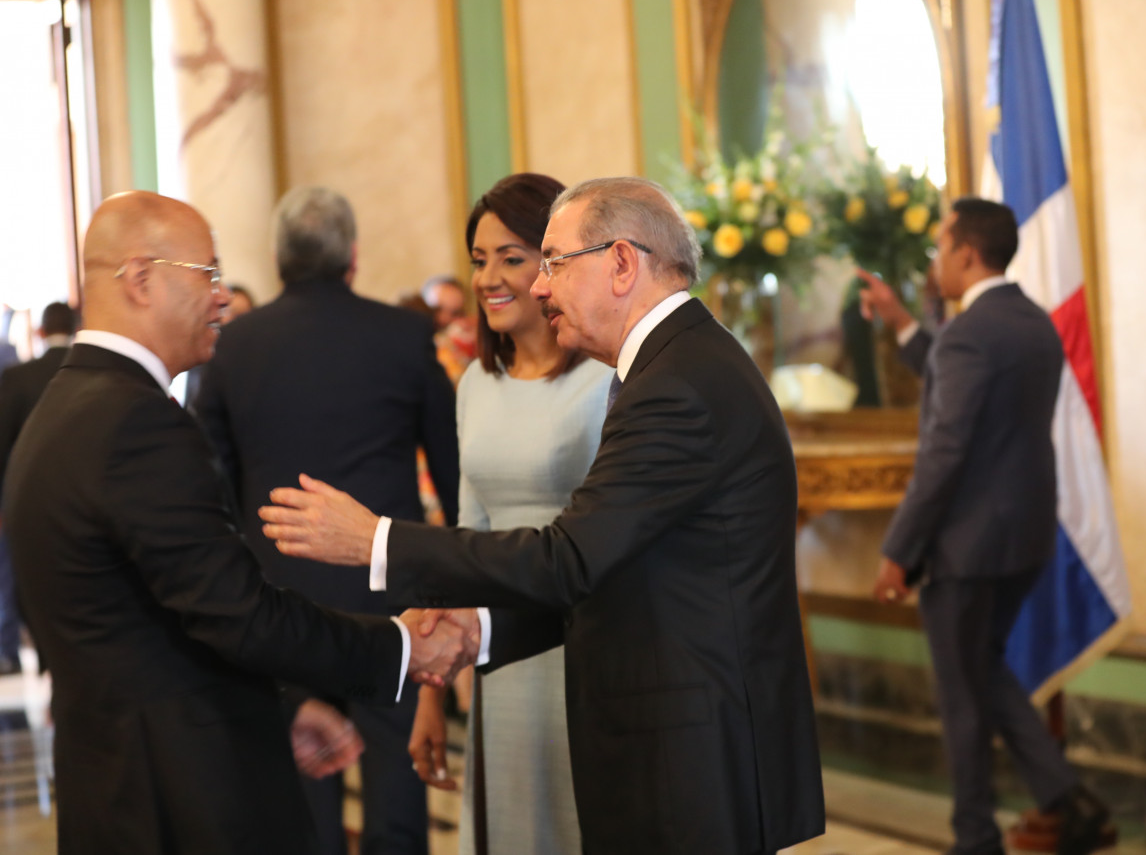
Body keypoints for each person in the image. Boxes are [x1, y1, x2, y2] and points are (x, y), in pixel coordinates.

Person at [261, 176, 825, 855]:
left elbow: (570, 558)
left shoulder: (676, 385)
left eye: (553, 262)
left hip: (694, 752)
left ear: (622, 263)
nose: (538, 286)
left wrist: (375, 539)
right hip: (680, 739)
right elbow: (616, 571)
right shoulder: (673, 364)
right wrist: (479, 632)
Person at [2, 191, 473, 855]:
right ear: (140, 279)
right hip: (179, 795)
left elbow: (157, 615)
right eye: (208, 274)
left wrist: (284, 706)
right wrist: (403, 646)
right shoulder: (136, 422)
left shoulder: (65, 404)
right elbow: (236, 612)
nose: (222, 297)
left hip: (116, 786)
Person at [194, 186, 460, 855]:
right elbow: (452, 472)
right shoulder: (405, 337)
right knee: (397, 802)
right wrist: (456, 587)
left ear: (278, 259)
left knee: (302, 802)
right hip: (389, 601)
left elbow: (212, 486)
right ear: (354, 256)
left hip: (277, 601)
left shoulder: (233, 345)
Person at [861, 197, 1110, 855]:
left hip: (967, 546)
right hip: (1025, 536)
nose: (936, 260)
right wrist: (902, 322)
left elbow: (944, 451)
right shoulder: (1033, 322)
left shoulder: (969, 334)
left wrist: (899, 549)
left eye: (941, 247)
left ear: (967, 253)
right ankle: (1068, 798)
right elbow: (960, 377)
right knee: (984, 671)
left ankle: (976, 836)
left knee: (962, 695)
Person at [406, 173, 611, 855]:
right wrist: (432, 691)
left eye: (510, 257)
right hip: (498, 658)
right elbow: (466, 542)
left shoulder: (606, 380)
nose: (489, 278)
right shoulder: (475, 384)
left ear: (553, 265)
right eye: (479, 259)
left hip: (582, 652)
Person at [0, 301, 78, 671]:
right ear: (75, 329)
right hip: (84, 502)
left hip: (28, 504)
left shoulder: (18, 378)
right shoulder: (89, 372)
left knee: (26, 581)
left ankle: (26, 654)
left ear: (41, 331)